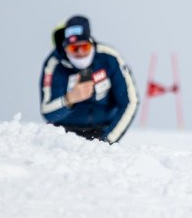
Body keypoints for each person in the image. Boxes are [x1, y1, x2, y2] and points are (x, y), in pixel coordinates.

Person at [39, 15, 139, 143]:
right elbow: (47, 112)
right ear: (65, 48)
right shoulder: (54, 64)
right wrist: (70, 99)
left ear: (91, 43)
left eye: (84, 47)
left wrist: (108, 139)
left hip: (102, 132)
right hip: (63, 137)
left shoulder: (109, 58)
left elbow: (130, 101)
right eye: (73, 48)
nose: (80, 52)